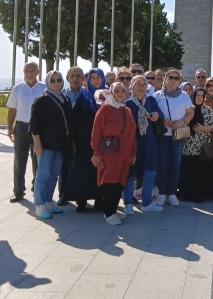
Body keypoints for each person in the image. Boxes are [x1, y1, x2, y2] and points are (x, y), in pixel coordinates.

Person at [91, 82, 138, 225]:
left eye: (122, 91)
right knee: (109, 181)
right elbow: (96, 132)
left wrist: (133, 153)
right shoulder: (105, 109)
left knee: (119, 181)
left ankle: (112, 211)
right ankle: (109, 213)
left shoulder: (127, 111)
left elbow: (132, 134)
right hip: (109, 153)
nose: (120, 94)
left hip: (124, 155)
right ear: (112, 93)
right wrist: (96, 152)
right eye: (116, 91)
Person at [29, 71, 74, 219]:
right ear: (48, 82)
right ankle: (39, 204)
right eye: (53, 80)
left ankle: (48, 201)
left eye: (59, 80)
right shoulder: (41, 100)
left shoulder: (65, 99)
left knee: (54, 175)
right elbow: (34, 124)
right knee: (43, 175)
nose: (56, 83)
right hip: (46, 145)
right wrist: (37, 144)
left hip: (60, 145)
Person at [62, 67, 100, 213]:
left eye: (79, 76)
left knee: (96, 170)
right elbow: (74, 120)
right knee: (80, 170)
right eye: (73, 75)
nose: (76, 78)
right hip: (82, 140)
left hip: (99, 140)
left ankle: (99, 198)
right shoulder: (80, 97)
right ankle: (81, 200)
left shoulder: (101, 94)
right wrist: (73, 140)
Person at [124, 76, 165, 213]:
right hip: (134, 144)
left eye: (143, 85)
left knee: (150, 172)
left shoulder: (151, 100)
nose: (141, 87)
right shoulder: (128, 103)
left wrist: (157, 115)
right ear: (133, 87)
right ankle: (128, 203)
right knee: (130, 174)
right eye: (138, 85)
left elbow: (161, 115)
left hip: (150, 142)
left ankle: (147, 203)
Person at [154, 68, 194, 207]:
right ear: (165, 79)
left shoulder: (184, 95)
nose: (172, 80)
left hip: (178, 136)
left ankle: (172, 193)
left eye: (176, 78)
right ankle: (162, 193)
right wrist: (163, 120)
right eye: (170, 77)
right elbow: (153, 112)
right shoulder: (157, 95)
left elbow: (190, 113)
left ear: (179, 81)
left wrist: (182, 121)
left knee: (175, 166)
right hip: (163, 135)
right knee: (162, 165)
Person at [7, 61, 46, 203]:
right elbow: (12, 110)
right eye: (26, 70)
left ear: (37, 72)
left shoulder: (44, 88)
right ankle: (18, 192)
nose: (29, 73)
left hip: (38, 130)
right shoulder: (17, 89)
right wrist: (9, 127)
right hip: (21, 128)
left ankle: (37, 189)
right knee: (19, 161)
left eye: (32, 70)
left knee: (38, 161)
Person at [178, 88, 213, 202]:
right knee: (190, 170)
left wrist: (203, 128)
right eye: (197, 95)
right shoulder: (189, 109)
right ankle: (188, 193)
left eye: (201, 95)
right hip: (189, 146)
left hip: (203, 146)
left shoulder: (208, 109)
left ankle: (201, 194)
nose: (199, 97)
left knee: (202, 171)